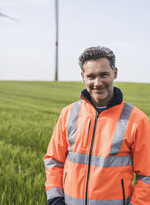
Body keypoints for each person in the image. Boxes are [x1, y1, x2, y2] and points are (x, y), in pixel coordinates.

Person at [44, 46, 150, 205]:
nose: (97, 83)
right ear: (83, 77)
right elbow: (54, 161)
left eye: (104, 75)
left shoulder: (137, 119)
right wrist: (55, 198)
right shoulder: (68, 114)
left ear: (115, 73)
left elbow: (147, 175)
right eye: (91, 76)